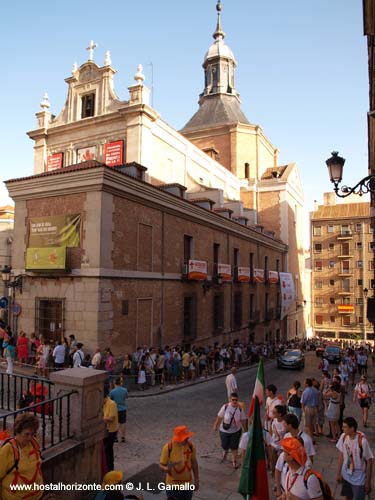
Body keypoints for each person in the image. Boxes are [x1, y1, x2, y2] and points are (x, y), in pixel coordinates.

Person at [0, 413, 43, 500]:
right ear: (18, 432)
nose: (30, 438)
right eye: (26, 434)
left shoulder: (34, 443)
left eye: (32, 434)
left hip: (37, 495)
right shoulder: (8, 449)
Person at [336, 417, 374, 500]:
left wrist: (368, 482)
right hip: (346, 474)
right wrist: (338, 473)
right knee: (348, 496)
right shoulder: (344, 437)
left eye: (345, 427)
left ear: (352, 428)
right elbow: (341, 455)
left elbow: (369, 461)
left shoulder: (362, 441)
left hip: (359, 478)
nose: (342, 429)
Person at [159, 425, 199, 500]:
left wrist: (196, 479)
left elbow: (194, 463)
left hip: (187, 485)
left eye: (187, 437)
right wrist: (165, 468)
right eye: (185, 438)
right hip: (172, 486)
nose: (188, 439)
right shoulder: (168, 448)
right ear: (178, 439)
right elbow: (161, 465)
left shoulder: (191, 446)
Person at [213, 392, 247, 469]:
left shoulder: (240, 409)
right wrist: (215, 425)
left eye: (236, 400)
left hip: (236, 431)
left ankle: (234, 461)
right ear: (230, 400)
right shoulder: (225, 407)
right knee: (225, 445)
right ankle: (225, 451)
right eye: (233, 400)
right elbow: (219, 417)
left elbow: (243, 420)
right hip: (224, 430)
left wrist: (245, 430)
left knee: (234, 447)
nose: (234, 401)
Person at [103, 387, 119, 471]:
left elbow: (111, 418)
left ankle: (110, 468)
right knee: (105, 451)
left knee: (108, 450)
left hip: (111, 431)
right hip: (105, 430)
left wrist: (102, 419)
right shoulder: (103, 404)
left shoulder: (111, 404)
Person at [110, 377, 128, 443]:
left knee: (116, 423)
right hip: (123, 408)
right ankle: (123, 437)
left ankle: (115, 437)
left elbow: (111, 400)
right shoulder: (124, 390)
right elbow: (126, 397)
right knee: (123, 423)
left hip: (115, 409)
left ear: (114, 383)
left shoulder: (112, 392)